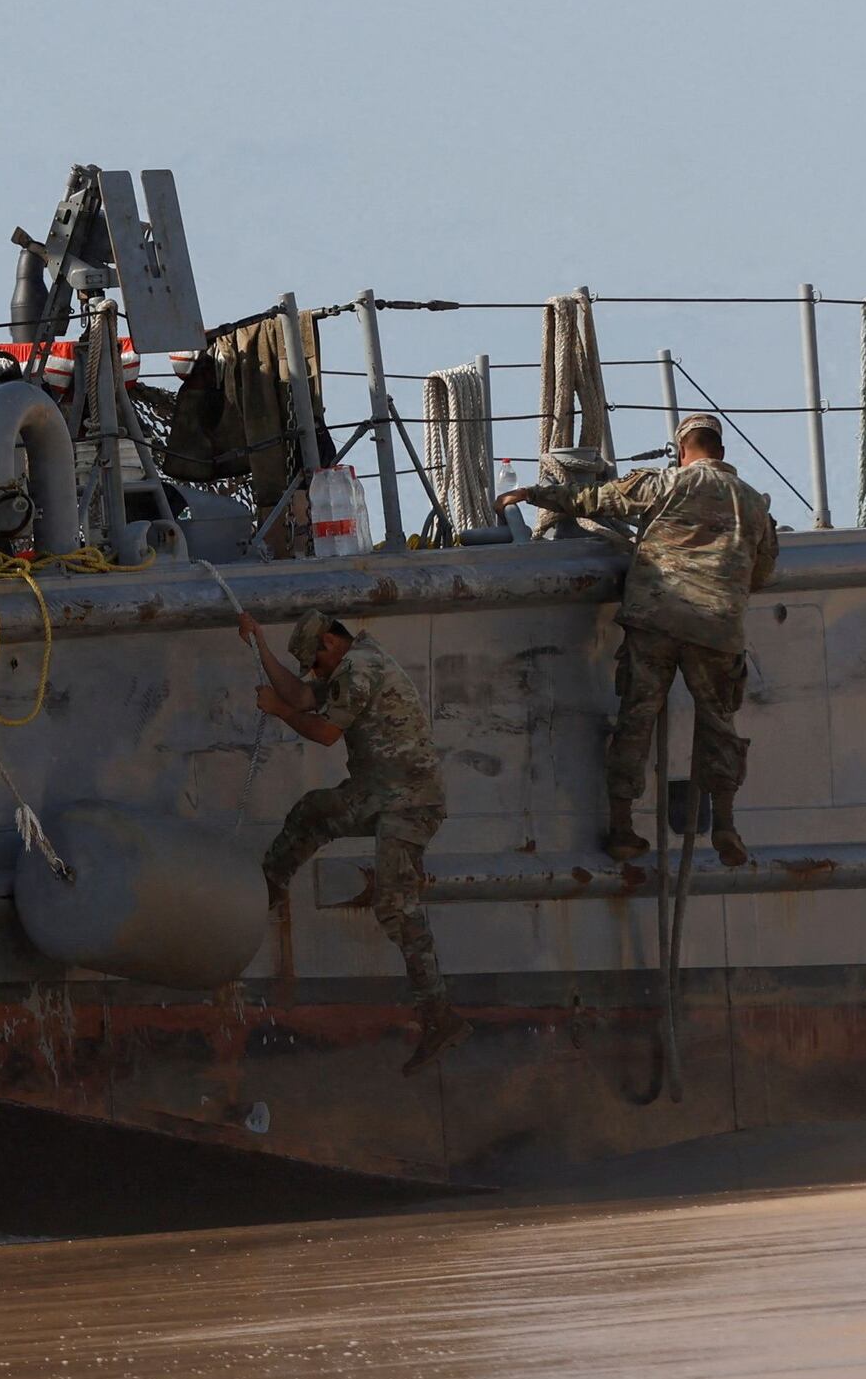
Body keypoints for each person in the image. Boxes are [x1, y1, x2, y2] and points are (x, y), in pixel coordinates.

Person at [501, 415, 779, 863]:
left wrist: (532, 494)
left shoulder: (664, 484)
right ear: (721, 453)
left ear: (682, 451)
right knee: (719, 725)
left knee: (636, 721)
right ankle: (725, 824)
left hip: (656, 620)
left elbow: (596, 499)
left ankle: (623, 828)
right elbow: (762, 572)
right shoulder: (754, 504)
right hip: (716, 628)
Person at [249, 611, 462, 1071]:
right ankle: (271, 884)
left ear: (330, 642)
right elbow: (303, 695)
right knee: (315, 811)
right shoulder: (349, 664)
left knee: (395, 904)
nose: (317, 674)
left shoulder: (360, 667)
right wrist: (260, 645)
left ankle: (439, 1016)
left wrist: (278, 711)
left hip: (409, 800)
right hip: (379, 792)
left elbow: (324, 731)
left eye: (317, 663)